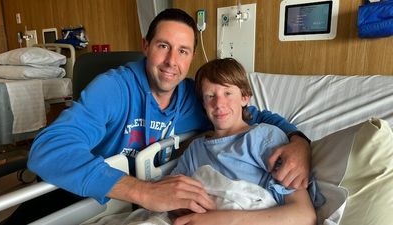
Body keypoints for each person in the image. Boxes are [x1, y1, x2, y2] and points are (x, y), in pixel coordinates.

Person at [26, 8, 311, 217]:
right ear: (146, 46)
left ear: (191, 58)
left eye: (183, 51)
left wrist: (298, 142)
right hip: (74, 191)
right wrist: (143, 191)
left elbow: (253, 116)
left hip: (135, 207)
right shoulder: (114, 89)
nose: (171, 62)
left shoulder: (196, 97)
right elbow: (47, 149)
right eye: (163, 46)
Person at [167, 57, 324, 225]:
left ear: (245, 97)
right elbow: (170, 194)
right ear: (203, 104)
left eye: (227, 93)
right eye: (210, 95)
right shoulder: (195, 150)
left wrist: (219, 220)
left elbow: (304, 215)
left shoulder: (265, 138)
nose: (219, 103)